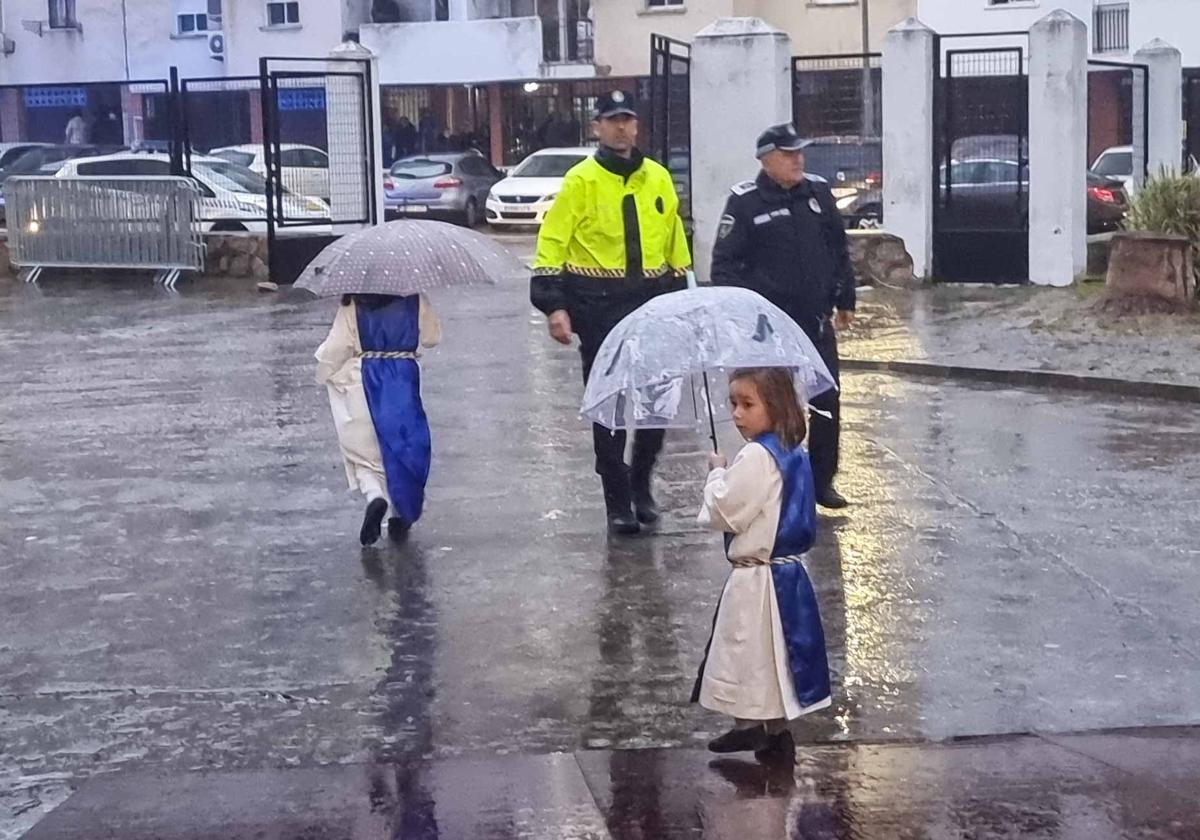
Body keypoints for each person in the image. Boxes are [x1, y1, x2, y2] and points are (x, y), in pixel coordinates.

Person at [530, 90, 692, 535]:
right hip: (599, 305)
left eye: (628, 119)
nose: (622, 128)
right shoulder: (580, 181)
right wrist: (553, 305)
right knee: (610, 406)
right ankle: (617, 498)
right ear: (598, 127)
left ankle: (641, 483)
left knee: (659, 402)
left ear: (636, 125)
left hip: (653, 301)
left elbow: (675, 237)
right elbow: (552, 243)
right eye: (612, 120)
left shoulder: (657, 177)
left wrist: (684, 295)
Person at [710, 124, 856, 509]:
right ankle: (773, 478)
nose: (798, 160)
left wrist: (846, 298)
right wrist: (742, 315)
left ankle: (822, 481)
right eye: (789, 154)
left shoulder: (817, 193)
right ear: (767, 159)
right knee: (772, 406)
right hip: (768, 329)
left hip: (814, 321)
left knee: (826, 401)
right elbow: (724, 266)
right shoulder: (746, 202)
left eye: (800, 153)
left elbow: (838, 249)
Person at [692, 367, 832, 761]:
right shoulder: (792, 452)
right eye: (733, 404)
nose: (737, 414)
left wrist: (717, 472)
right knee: (773, 658)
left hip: (760, 577)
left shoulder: (756, 455)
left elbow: (727, 509)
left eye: (748, 404)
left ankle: (754, 729)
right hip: (786, 574)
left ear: (777, 406)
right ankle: (770, 731)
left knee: (753, 654)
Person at [315, 293, 441, 545]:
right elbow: (431, 338)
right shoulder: (415, 300)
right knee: (404, 451)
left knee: (364, 456)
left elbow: (337, 347)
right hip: (402, 383)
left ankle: (375, 496)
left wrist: (323, 371)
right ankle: (401, 512)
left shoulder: (352, 304)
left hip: (362, 381)